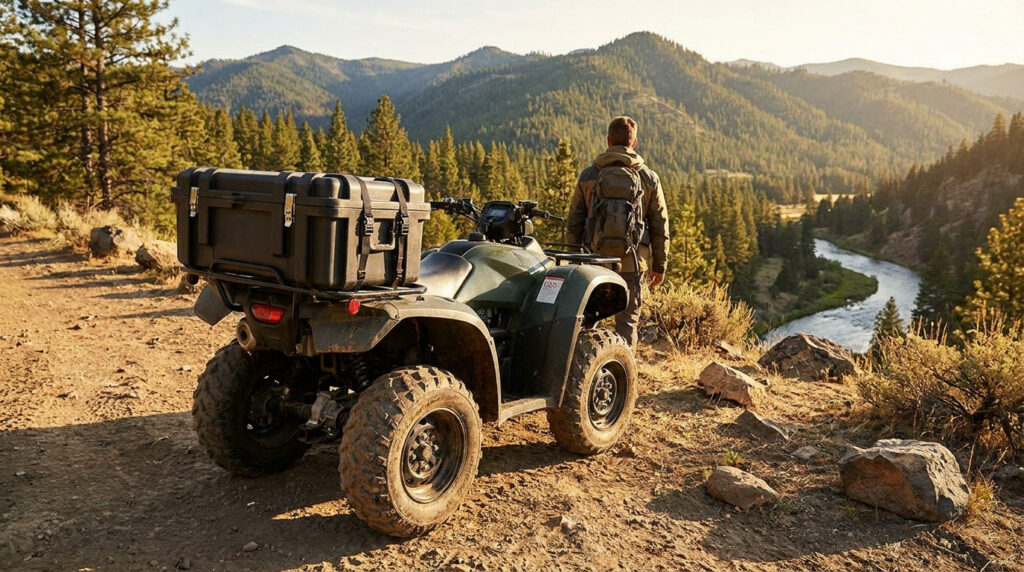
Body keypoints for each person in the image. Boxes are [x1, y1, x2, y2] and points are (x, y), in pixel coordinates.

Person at [565, 116, 670, 348]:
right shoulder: (649, 178)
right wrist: (659, 265)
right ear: (634, 143)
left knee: (589, 323)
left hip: (594, 262)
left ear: (608, 140)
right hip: (633, 264)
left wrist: (574, 260)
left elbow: (574, 222)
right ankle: (625, 378)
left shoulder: (589, 176)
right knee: (627, 325)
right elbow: (660, 225)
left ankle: (585, 374)